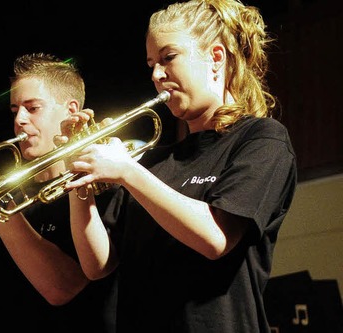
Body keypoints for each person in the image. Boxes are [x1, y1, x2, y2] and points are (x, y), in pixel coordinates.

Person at [60, 0, 298, 332]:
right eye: (151, 65)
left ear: (215, 58)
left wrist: (128, 172)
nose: (156, 75)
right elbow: (97, 265)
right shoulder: (154, 159)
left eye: (168, 58)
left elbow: (215, 239)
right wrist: (80, 179)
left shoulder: (261, 139)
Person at [0, 53, 123, 333]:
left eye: (32, 108)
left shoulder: (101, 186)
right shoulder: (4, 192)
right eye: (14, 110)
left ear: (71, 110)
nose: (19, 119)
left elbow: (62, 289)